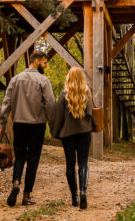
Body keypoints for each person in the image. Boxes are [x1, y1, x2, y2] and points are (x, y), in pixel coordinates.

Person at [0, 49, 55, 207]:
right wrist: (52, 124)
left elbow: (6, 103)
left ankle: (16, 182)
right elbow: (50, 104)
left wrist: (2, 124)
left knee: (20, 156)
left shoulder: (16, 79)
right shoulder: (43, 81)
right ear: (37, 61)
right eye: (45, 62)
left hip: (19, 124)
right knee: (33, 159)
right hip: (37, 126)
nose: (46, 65)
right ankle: (26, 195)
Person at [49, 66, 94, 209]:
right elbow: (90, 113)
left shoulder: (64, 95)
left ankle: (74, 197)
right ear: (82, 78)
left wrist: (55, 132)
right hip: (84, 133)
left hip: (68, 135)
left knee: (70, 165)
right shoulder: (87, 94)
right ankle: (83, 192)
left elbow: (58, 117)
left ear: (69, 77)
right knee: (83, 163)